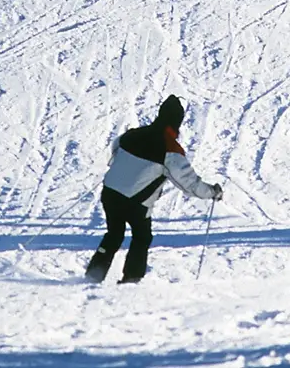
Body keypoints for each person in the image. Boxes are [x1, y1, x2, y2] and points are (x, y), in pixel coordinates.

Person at [86, 95, 220, 284]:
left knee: (114, 234)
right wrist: (212, 192)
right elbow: (189, 184)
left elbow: (116, 151)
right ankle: (131, 279)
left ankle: (93, 276)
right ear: (177, 122)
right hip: (135, 202)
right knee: (142, 236)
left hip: (110, 193)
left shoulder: (131, 134)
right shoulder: (170, 149)